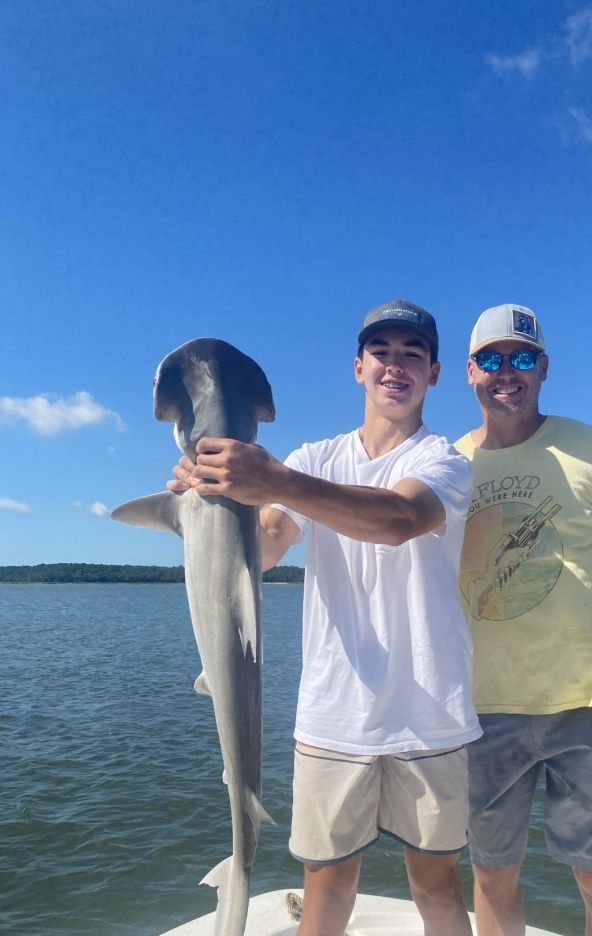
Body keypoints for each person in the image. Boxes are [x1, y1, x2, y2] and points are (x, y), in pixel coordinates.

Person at [169, 300, 481, 936]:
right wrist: (209, 502)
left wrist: (276, 477)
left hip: (431, 715)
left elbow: (399, 520)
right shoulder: (313, 458)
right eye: (383, 354)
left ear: (435, 373)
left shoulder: (445, 462)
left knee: (438, 887)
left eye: (413, 356)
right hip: (334, 714)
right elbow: (267, 545)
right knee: (326, 891)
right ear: (358, 367)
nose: (397, 367)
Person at [455, 303, 592, 936]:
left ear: (544, 368)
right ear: (470, 371)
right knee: (492, 873)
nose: (507, 372)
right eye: (492, 359)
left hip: (585, 703)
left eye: (522, 357)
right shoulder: (445, 465)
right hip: (478, 709)